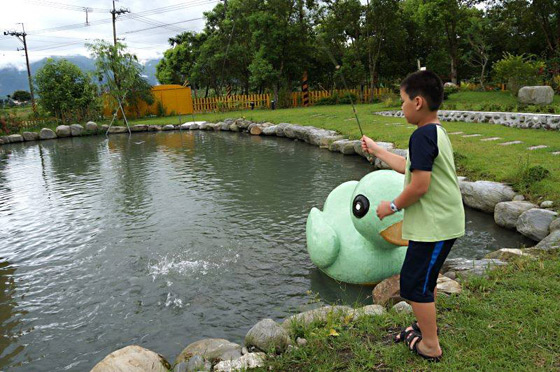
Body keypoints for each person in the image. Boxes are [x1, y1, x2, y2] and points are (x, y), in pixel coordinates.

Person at [361, 70, 465, 362]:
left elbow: (419, 185)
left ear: (418, 102)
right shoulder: (434, 131)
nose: (401, 106)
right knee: (422, 280)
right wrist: (379, 150)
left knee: (413, 284)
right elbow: (409, 166)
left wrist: (390, 207)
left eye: (403, 100)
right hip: (438, 224)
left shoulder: (422, 135)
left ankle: (430, 345)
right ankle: (423, 326)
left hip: (436, 227)